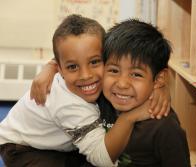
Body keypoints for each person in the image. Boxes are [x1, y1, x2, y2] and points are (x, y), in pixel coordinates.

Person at [0, 15, 160, 167]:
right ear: (60, 70)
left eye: (95, 62)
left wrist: (159, 87)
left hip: (58, 142)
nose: (86, 75)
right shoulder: (68, 104)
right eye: (72, 67)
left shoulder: (70, 75)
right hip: (23, 148)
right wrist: (129, 117)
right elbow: (102, 159)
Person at [101, 19, 191, 167]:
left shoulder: (165, 127)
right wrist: (51, 68)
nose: (122, 84)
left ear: (159, 79)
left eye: (136, 74)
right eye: (114, 71)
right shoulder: (100, 101)